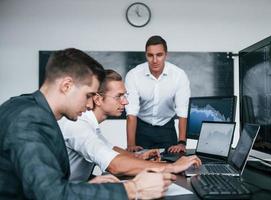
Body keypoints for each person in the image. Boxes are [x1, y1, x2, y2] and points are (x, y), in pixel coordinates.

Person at [0, 48, 176, 199]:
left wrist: (90, 184)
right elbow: (50, 194)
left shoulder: (25, 106)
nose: (90, 104)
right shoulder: (30, 118)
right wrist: (132, 189)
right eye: (88, 95)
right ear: (67, 86)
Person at [58, 69, 201, 182]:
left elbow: (111, 149)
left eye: (125, 96)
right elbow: (115, 165)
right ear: (98, 99)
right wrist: (172, 167)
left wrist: (139, 157)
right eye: (119, 96)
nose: (125, 102)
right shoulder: (78, 125)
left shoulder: (89, 123)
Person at [125, 35, 191, 153]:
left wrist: (181, 142)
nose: (155, 60)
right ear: (146, 55)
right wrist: (131, 145)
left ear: (166, 54)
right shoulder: (133, 75)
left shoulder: (179, 75)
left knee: (172, 165)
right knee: (138, 166)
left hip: (167, 128)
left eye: (159, 55)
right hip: (141, 128)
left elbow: (183, 112)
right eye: (150, 55)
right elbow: (131, 114)